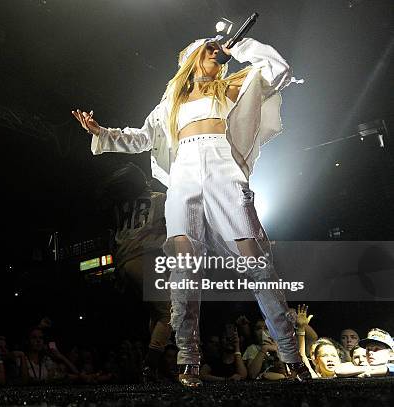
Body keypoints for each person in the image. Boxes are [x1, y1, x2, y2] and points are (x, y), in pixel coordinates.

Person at [73, 35, 307, 386]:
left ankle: (291, 356)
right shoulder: (172, 99)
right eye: (210, 46)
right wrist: (101, 132)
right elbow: (141, 137)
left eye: (219, 46)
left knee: (256, 261)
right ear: (192, 57)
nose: (217, 49)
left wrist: (240, 46)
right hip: (183, 173)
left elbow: (279, 70)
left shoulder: (231, 85)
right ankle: (188, 361)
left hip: (222, 168)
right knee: (183, 267)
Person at [97, 162, 172, 381]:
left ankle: (153, 367)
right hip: (145, 258)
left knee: (155, 313)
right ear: (144, 182)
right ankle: (149, 367)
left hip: (125, 262)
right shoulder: (160, 199)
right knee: (169, 313)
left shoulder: (121, 206)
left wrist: (117, 270)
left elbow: (112, 238)